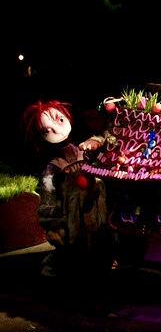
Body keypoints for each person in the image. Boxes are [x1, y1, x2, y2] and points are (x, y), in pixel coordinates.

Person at [19, 99, 115, 279]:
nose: (56, 130)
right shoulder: (53, 167)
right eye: (46, 130)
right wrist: (52, 225)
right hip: (72, 215)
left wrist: (96, 142)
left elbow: (108, 143)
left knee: (99, 243)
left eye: (60, 120)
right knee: (74, 250)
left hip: (95, 208)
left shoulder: (84, 151)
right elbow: (48, 196)